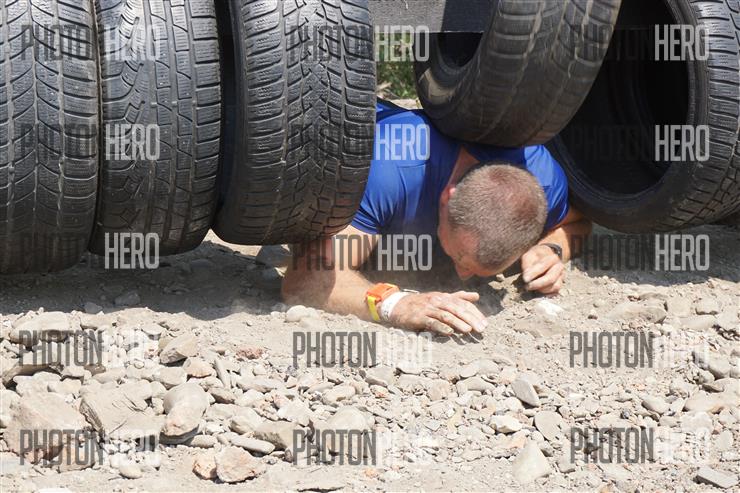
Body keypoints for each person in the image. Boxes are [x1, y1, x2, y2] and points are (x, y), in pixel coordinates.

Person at [282, 101, 592, 336]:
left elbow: (577, 223)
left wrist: (552, 249)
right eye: (461, 258)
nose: (462, 276)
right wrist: (394, 305)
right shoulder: (387, 174)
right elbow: (306, 278)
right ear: (447, 198)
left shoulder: (543, 184)